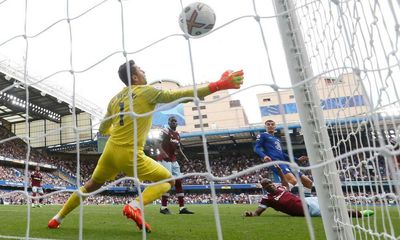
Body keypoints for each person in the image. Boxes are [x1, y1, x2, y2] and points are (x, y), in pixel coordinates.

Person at [48, 59, 244, 232]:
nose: (144, 72)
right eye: (141, 70)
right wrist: (217, 85)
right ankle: (135, 206)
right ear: (134, 77)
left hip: (109, 151)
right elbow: (180, 94)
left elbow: (103, 127)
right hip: (130, 153)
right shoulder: (146, 92)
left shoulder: (115, 99)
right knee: (169, 181)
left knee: (90, 185)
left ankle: (57, 218)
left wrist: (114, 133)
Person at [244, 164, 374, 218]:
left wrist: (279, 171)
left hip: (307, 200)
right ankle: (360, 214)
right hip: (306, 210)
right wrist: (251, 214)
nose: (269, 185)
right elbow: (257, 212)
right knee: (334, 212)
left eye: (270, 182)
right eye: (266, 185)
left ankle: (357, 212)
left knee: (332, 203)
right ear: (264, 188)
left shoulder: (280, 188)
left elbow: (284, 183)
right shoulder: (267, 199)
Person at [254, 119, 313, 196]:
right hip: (275, 162)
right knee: (293, 180)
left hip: (285, 163)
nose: (270, 126)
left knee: (308, 182)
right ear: (265, 126)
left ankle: (306, 203)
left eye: (272, 124)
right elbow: (256, 148)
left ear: (275, 126)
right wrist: (264, 156)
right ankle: (276, 197)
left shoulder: (277, 139)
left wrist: (297, 159)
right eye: (268, 124)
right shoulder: (263, 135)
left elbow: (282, 154)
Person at [157, 116, 193, 215]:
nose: (174, 122)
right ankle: (163, 207)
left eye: (175, 121)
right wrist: (163, 153)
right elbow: (157, 142)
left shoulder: (177, 134)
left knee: (178, 182)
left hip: (173, 160)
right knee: (169, 182)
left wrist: (185, 158)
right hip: (165, 159)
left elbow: (178, 148)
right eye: (172, 121)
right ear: (168, 122)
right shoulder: (165, 131)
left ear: (177, 123)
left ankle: (182, 208)